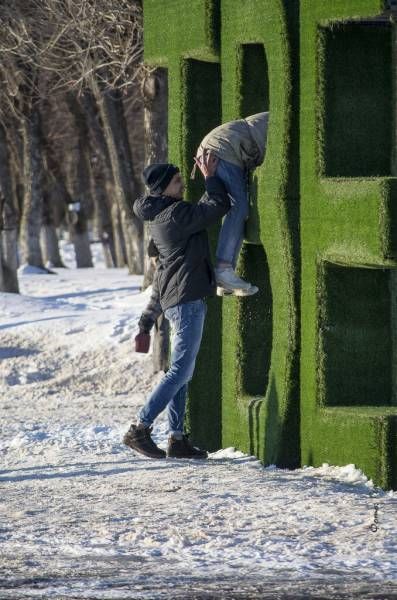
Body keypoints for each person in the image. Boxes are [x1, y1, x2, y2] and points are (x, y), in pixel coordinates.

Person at [123, 152, 230, 460]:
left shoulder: (161, 215)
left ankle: (177, 438)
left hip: (178, 300)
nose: (182, 184)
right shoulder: (176, 214)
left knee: (180, 371)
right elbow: (217, 206)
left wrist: (146, 320)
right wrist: (211, 177)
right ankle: (139, 428)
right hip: (186, 302)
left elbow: (161, 276)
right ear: (162, 188)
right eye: (177, 181)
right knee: (181, 370)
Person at [193, 111, 269, 296]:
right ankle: (224, 269)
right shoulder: (284, 119)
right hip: (221, 149)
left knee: (226, 206)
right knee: (238, 206)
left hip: (218, 147)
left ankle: (224, 277)